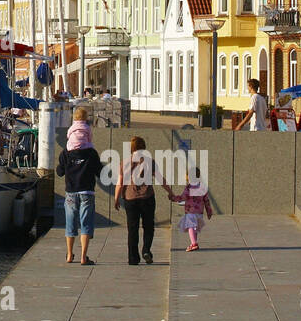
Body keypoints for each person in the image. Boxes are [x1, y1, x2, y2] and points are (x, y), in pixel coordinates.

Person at [114, 136, 170, 265]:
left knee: (132, 229)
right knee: (148, 226)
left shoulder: (124, 162)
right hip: (147, 198)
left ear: (131, 148)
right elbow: (161, 179)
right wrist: (170, 192)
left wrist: (116, 199)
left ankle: (133, 258)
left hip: (130, 199)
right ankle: (146, 250)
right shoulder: (150, 161)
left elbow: (120, 183)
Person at [57, 108, 101, 265]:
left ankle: (69, 254)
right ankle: (83, 256)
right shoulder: (91, 151)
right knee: (86, 223)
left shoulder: (66, 152)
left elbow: (60, 172)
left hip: (70, 192)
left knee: (70, 223)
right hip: (87, 191)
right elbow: (99, 172)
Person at [169, 169, 213, 252]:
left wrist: (174, 198)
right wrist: (209, 211)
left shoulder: (189, 187)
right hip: (199, 212)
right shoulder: (202, 187)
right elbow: (206, 200)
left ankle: (194, 244)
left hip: (190, 211)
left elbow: (183, 197)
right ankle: (194, 242)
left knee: (190, 227)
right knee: (194, 228)